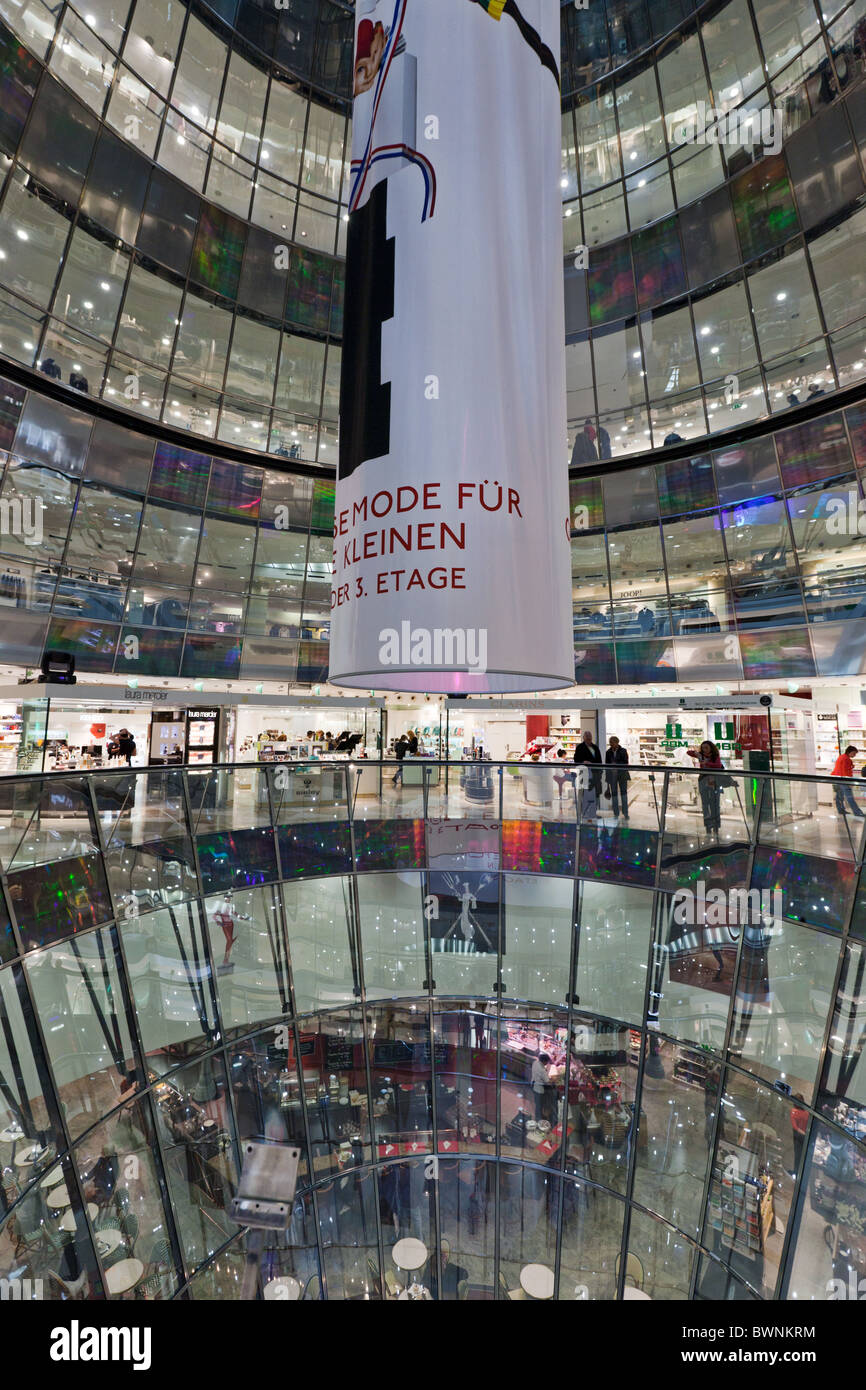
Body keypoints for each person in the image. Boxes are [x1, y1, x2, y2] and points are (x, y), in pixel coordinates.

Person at [686, 739, 725, 837]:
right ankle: (708, 826)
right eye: (703, 748)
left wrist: (706, 763)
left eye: (706, 747)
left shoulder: (715, 756)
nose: (704, 750)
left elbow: (718, 765)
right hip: (703, 780)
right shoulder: (701, 755)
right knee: (705, 804)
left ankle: (716, 826)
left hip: (714, 781)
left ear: (711, 748)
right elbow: (688, 752)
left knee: (715, 804)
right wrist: (697, 753)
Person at [574, 729, 602, 816]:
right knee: (583, 793)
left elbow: (599, 761)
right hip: (583, 773)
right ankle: (583, 812)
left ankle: (593, 812)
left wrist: (593, 764)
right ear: (584, 738)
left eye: (590, 738)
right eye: (587, 738)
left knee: (595, 793)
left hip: (594, 773)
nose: (589, 739)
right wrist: (583, 762)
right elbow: (576, 760)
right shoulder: (579, 747)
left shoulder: (595, 748)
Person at [832, 745, 864, 818]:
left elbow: (843, 768)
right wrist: (848, 782)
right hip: (843, 780)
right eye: (854, 753)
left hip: (837, 778)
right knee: (849, 796)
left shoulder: (842, 757)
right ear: (850, 752)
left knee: (839, 796)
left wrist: (851, 766)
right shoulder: (847, 759)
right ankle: (857, 812)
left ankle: (840, 810)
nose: (854, 755)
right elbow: (845, 771)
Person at [604, 735, 630, 818]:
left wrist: (616, 764)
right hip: (612, 775)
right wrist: (607, 778)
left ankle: (625, 813)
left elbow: (626, 763)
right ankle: (616, 813)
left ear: (617, 742)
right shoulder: (608, 752)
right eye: (610, 743)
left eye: (612, 743)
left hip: (622, 774)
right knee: (614, 794)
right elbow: (606, 765)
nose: (611, 744)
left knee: (624, 794)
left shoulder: (623, 751)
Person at [790, 1094, 809, 1177]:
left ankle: (796, 1172)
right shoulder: (807, 1112)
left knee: (797, 1154)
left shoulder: (794, 1112)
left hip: (798, 1136)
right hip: (805, 1136)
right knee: (802, 1155)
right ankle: (799, 1173)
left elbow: (795, 1127)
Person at [531, 1051, 551, 1122]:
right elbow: (547, 1081)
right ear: (544, 1061)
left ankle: (538, 1117)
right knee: (539, 1105)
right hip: (539, 1090)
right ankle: (538, 1120)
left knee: (537, 1104)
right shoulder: (542, 1070)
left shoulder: (535, 1062)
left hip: (533, 1084)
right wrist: (548, 1070)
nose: (547, 1063)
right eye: (547, 1062)